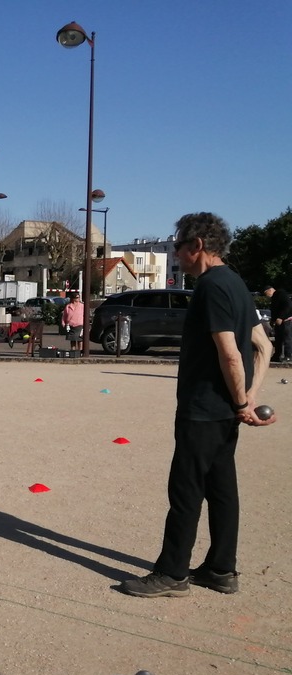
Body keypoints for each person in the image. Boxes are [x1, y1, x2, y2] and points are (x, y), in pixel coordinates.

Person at [121, 213, 275, 598]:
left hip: (204, 409)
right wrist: (248, 399)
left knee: (186, 490)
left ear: (197, 246)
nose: (176, 253)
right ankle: (222, 569)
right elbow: (264, 345)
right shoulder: (238, 284)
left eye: (177, 245)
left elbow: (231, 355)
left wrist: (243, 400)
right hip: (224, 411)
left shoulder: (210, 287)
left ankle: (172, 573)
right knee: (222, 489)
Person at [263, 285, 292, 362]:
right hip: (278, 321)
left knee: (287, 339)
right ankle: (277, 355)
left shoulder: (281, 294)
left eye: (266, 293)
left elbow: (288, 306)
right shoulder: (274, 297)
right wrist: (273, 320)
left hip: (285, 320)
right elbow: (274, 310)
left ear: (270, 290)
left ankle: (288, 355)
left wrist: (281, 317)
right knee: (278, 339)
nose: (267, 296)